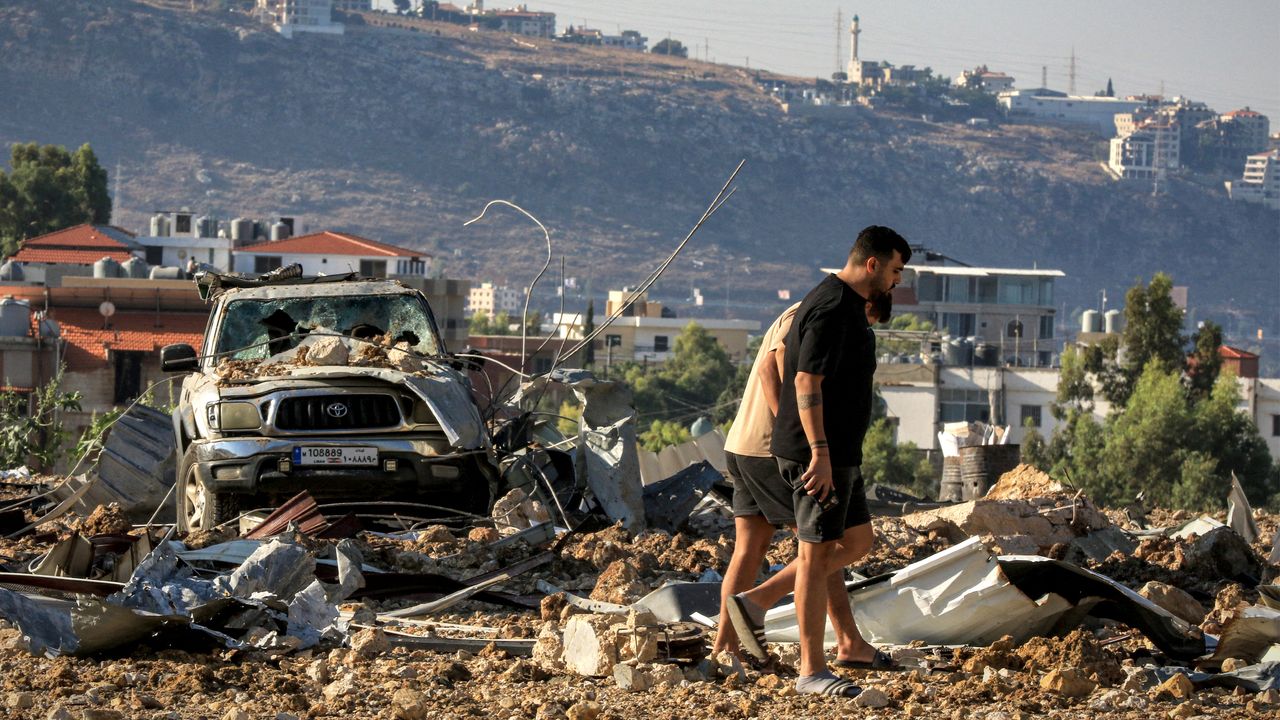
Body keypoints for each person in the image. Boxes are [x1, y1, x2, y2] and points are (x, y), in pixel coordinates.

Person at [727, 225, 909, 697]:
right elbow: (803, 382)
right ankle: (812, 668)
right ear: (872, 264)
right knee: (812, 554)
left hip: (834, 453)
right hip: (811, 454)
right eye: (894, 271)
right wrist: (818, 452)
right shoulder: (830, 308)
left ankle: (758, 604)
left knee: (854, 541)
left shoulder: (843, 307)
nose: (896, 282)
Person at [712, 296, 896, 669]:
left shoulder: (802, 310)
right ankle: (833, 637)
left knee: (753, 548)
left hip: (744, 443)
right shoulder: (817, 314)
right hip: (769, 449)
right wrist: (794, 437)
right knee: (824, 545)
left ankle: (723, 652)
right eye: (868, 320)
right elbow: (770, 367)